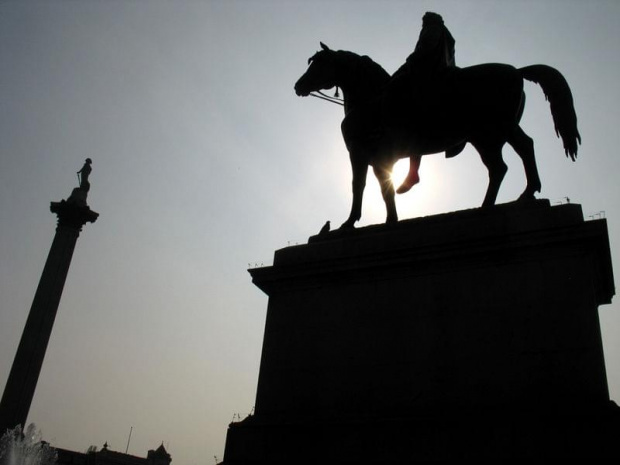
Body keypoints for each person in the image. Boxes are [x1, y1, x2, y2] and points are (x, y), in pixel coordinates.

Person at [392, 12, 457, 194]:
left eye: (424, 21)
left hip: (430, 77)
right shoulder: (443, 32)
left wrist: (410, 61)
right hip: (435, 74)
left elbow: (425, 50)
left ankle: (412, 171)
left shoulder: (433, 29)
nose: (422, 23)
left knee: (409, 111)